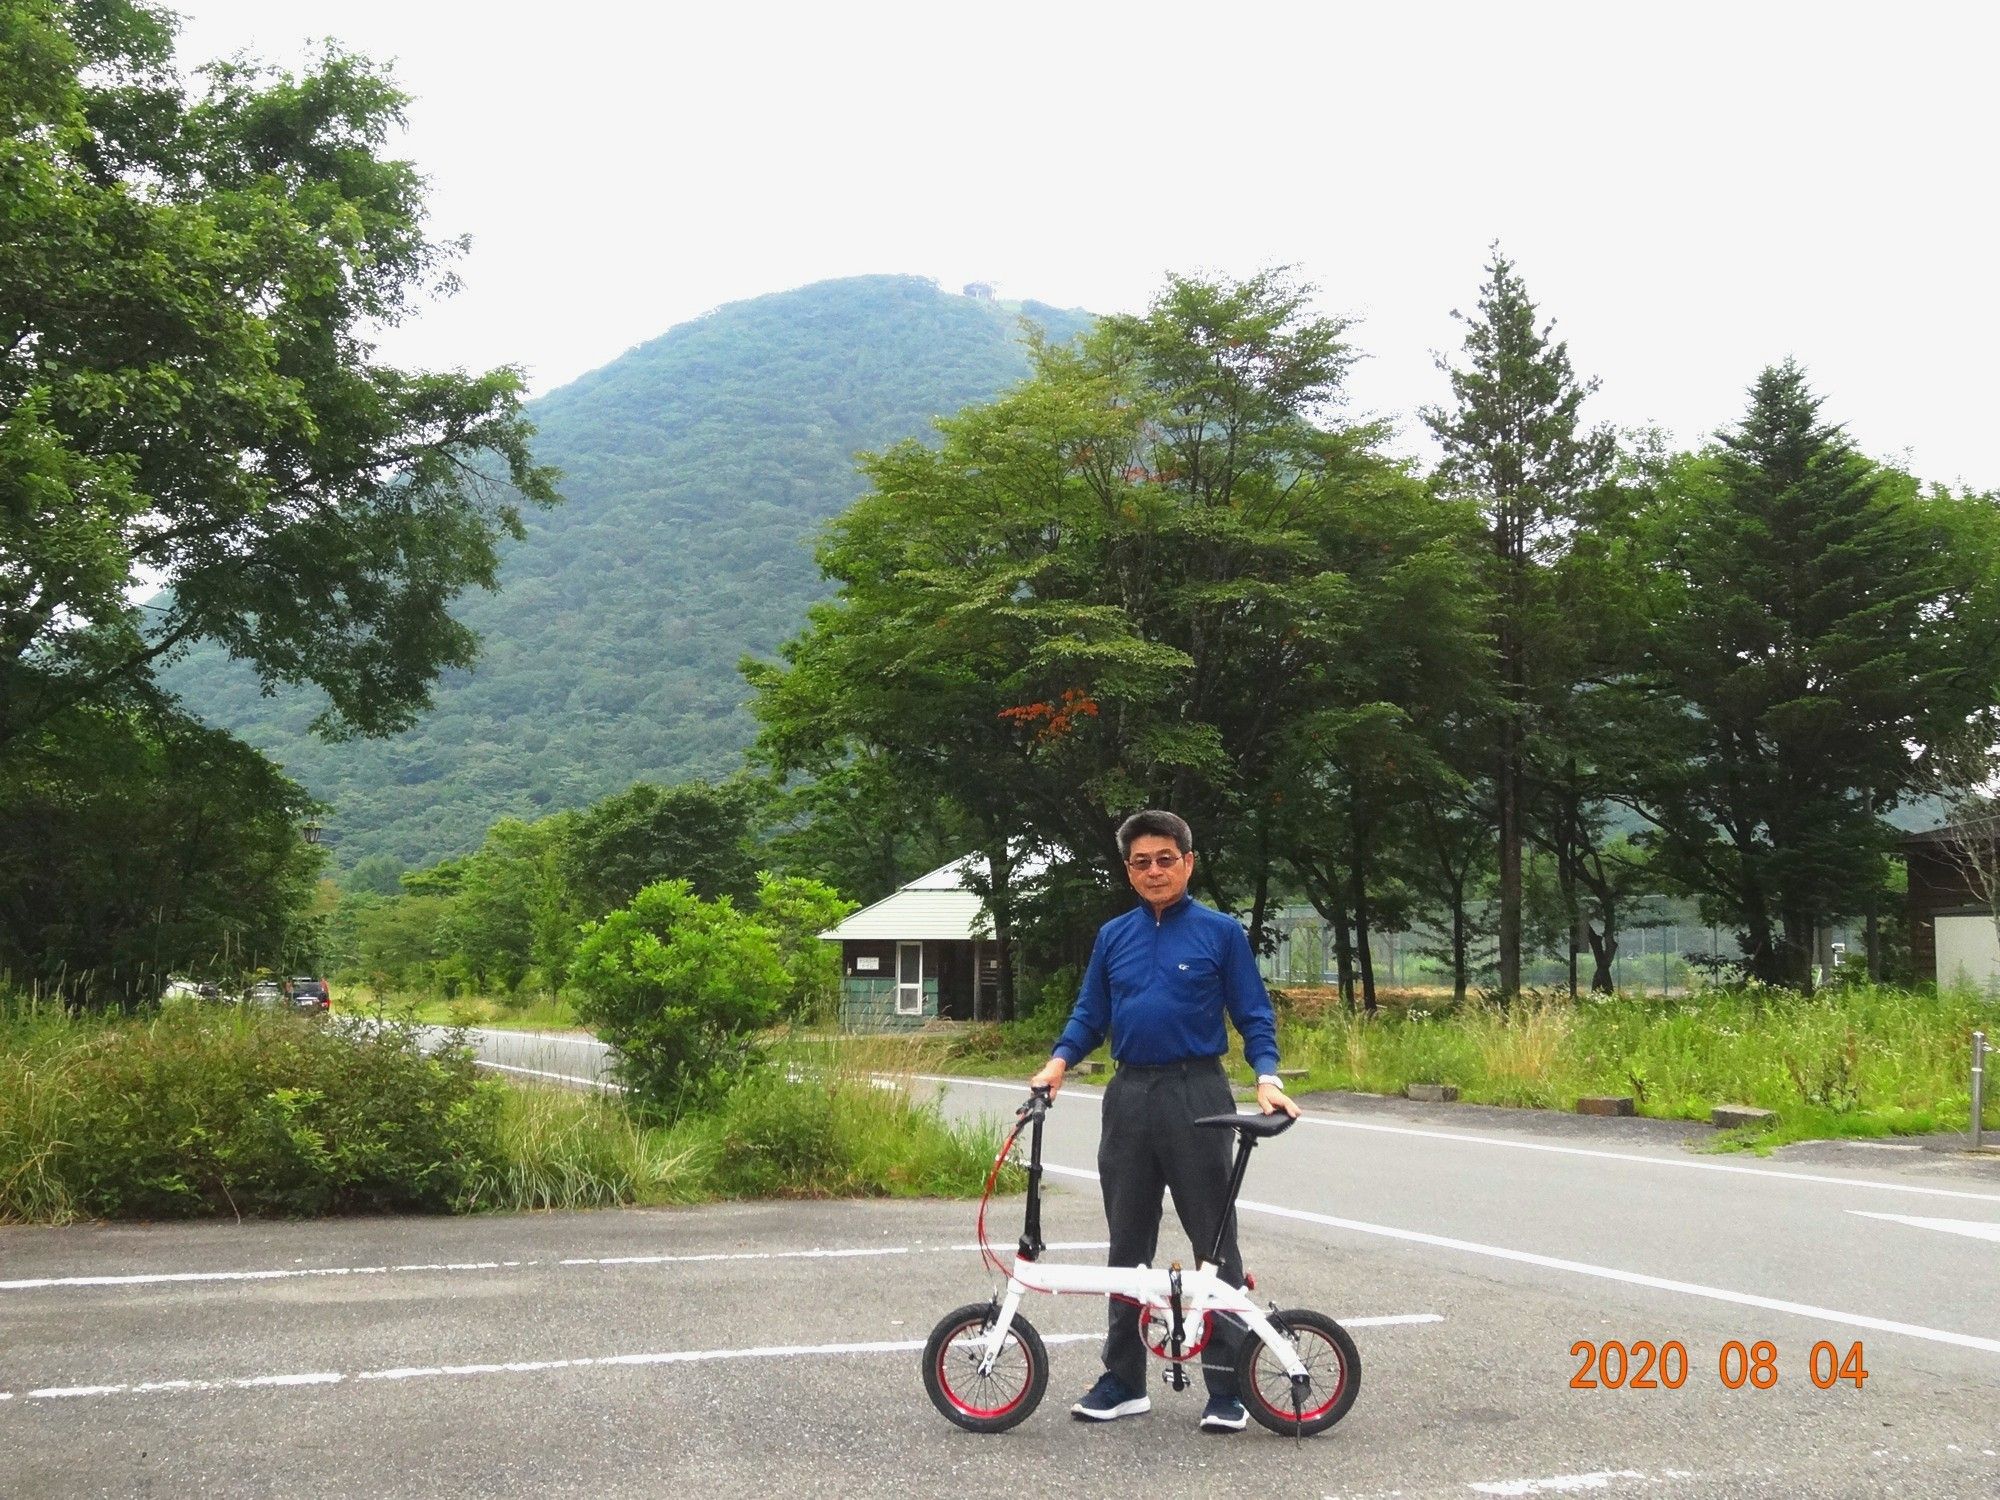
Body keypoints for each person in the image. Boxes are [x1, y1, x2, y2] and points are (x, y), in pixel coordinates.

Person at [1030, 809, 1298, 1434]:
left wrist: (1267, 1076)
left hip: (1197, 1092)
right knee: (1126, 1244)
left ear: (1188, 862)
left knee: (1214, 1242)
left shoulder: (1221, 932)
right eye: (1141, 862)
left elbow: (1253, 1013)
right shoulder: (1113, 936)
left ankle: (1227, 1387)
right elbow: (1089, 1012)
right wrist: (1059, 1062)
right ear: (1129, 871)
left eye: (1165, 859)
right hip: (1127, 1096)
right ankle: (1122, 1380)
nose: (1155, 871)